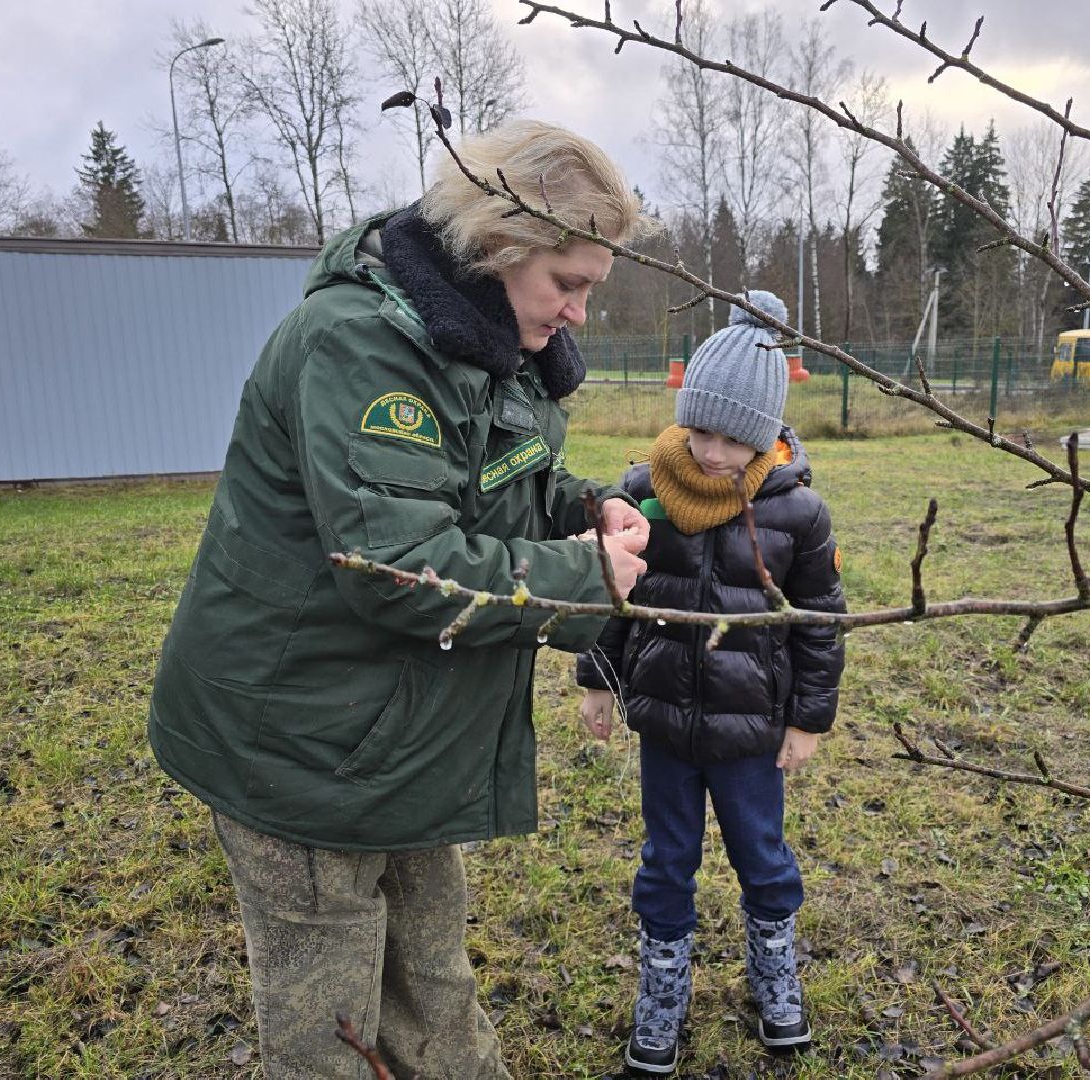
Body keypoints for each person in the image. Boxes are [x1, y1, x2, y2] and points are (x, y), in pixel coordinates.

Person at [147, 120, 653, 1080]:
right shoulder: (364, 348)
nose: (581, 312)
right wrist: (582, 576)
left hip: (395, 740)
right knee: (331, 1032)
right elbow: (396, 563)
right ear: (498, 246)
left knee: (433, 989)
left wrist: (584, 507)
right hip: (302, 749)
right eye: (568, 283)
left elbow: (491, 474)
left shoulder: (480, 343)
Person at [576, 290, 847, 1075]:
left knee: (762, 855)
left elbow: (820, 623)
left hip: (751, 731)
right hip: (664, 724)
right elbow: (612, 594)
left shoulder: (798, 513)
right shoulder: (642, 493)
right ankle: (662, 988)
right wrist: (598, 679)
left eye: (733, 437)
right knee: (666, 860)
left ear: (765, 432)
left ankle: (774, 974)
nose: (712, 452)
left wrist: (807, 719)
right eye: (700, 431)